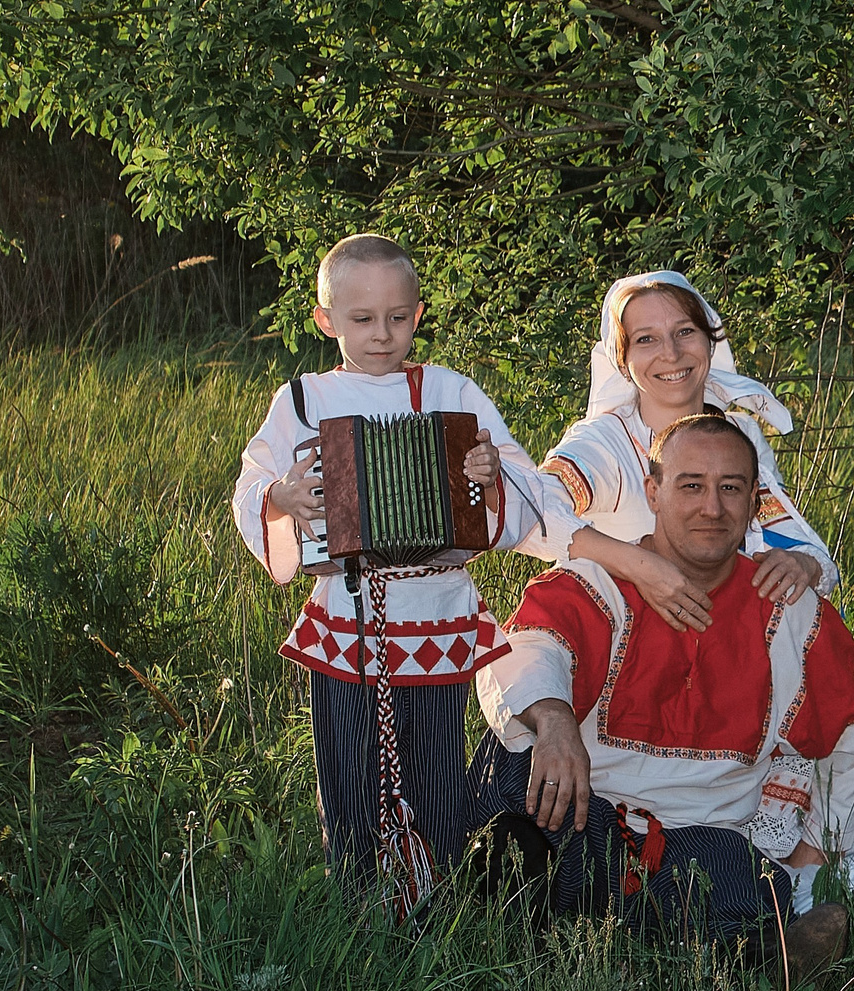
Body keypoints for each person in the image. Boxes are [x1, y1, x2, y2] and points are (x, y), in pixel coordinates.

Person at [231, 233, 594, 913]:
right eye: (361, 319)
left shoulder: (451, 393)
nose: (381, 335)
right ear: (325, 319)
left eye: (397, 318)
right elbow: (252, 484)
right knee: (349, 767)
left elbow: (521, 487)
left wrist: (489, 476)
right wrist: (280, 497)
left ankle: (436, 899)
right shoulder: (304, 401)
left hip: (436, 612)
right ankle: (361, 903)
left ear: (420, 313)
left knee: (433, 769)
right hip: (345, 616)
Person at [475, 413, 854, 976]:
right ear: (653, 491)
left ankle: (754, 964)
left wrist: (818, 849)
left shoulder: (787, 609)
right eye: (691, 485)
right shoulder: (597, 582)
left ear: (752, 500)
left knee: (731, 880)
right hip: (585, 812)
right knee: (513, 771)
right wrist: (554, 720)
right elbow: (525, 650)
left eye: (730, 488)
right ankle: (516, 927)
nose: (711, 508)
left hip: (703, 835)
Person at [540, 271, 837, 630]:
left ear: (710, 342)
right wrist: (639, 566)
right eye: (646, 339)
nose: (672, 353)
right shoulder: (605, 441)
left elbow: (795, 539)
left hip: (723, 640)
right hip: (620, 642)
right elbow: (531, 513)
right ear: (622, 361)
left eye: (685, 332)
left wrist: (802, 564)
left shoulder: (740, 434)